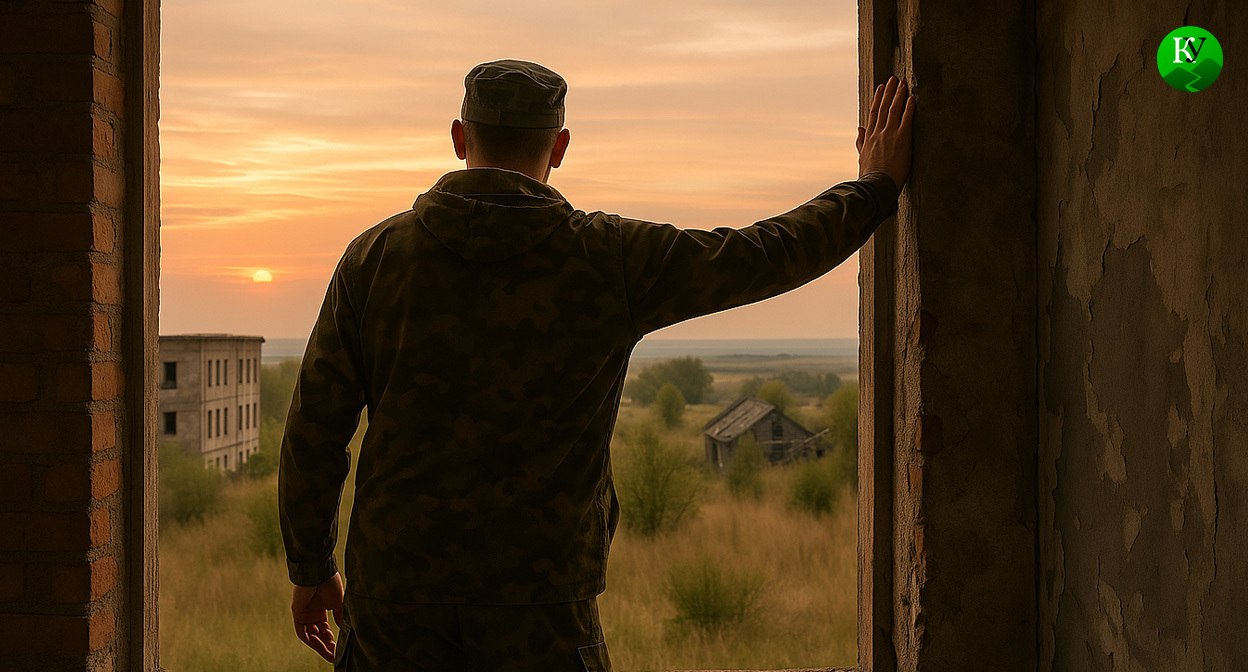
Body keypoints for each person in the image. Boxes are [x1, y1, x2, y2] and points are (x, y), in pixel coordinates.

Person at [278, 59, 914, 671]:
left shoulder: (375, 259)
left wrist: (310, 569)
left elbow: (315, 429)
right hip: (544, 602)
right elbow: (760, 255)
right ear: (558, 146)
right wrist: (874, 188)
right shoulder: (605, 258)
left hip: (395, 603)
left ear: (458, 137)